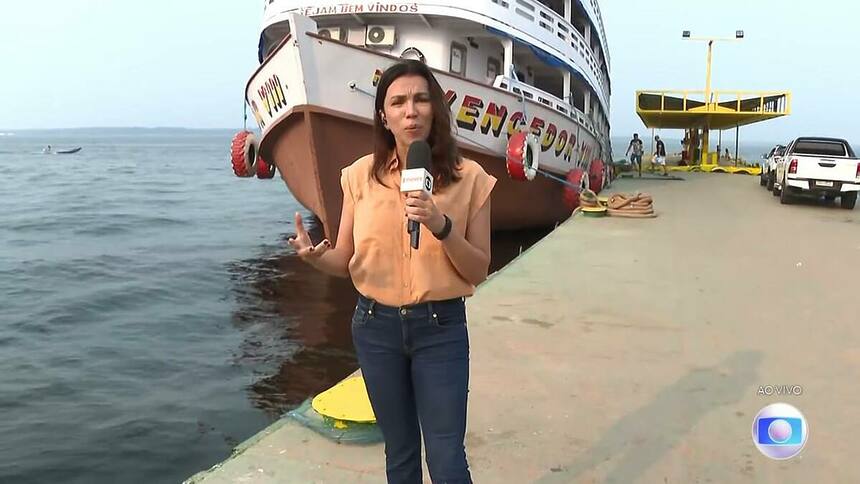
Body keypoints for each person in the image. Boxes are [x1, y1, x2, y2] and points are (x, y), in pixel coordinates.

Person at [288, 59, 495, 484]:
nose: (410, 110)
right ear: (384, 115)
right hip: (375, 327)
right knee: (399, 455)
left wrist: (441, 225)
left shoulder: (470, 178)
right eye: (398, 102)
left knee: (446, 459)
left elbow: (477, 270)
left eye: (420, 99)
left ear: (435, 109)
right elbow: (343, 259)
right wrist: (314, 257)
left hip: (441, 329)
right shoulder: (359, 176)